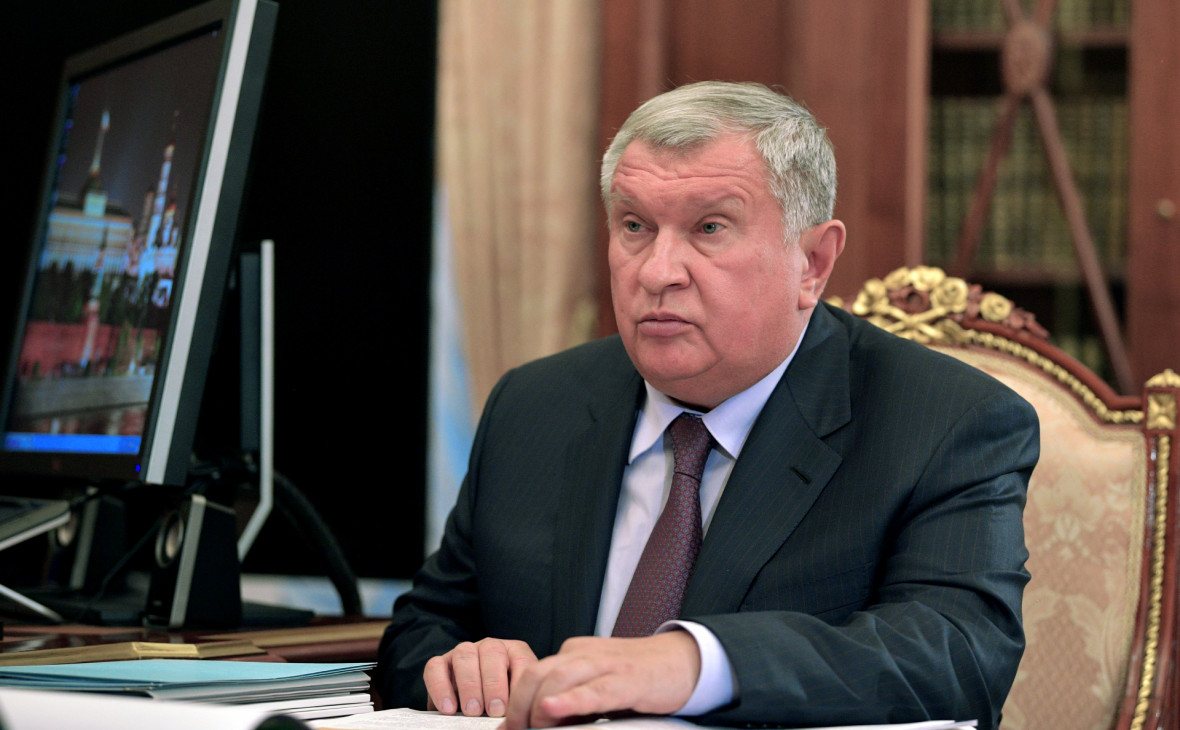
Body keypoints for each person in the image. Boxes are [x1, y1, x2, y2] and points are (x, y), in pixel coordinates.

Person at [374, 81, 1039, 730]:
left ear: (812, 262)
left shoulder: (945, 422)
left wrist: (694, 664)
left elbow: (959, 655)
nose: (657, 271)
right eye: (634, 226)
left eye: (709, 228)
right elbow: (422, 631)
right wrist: (460, 665)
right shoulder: (535, 405)